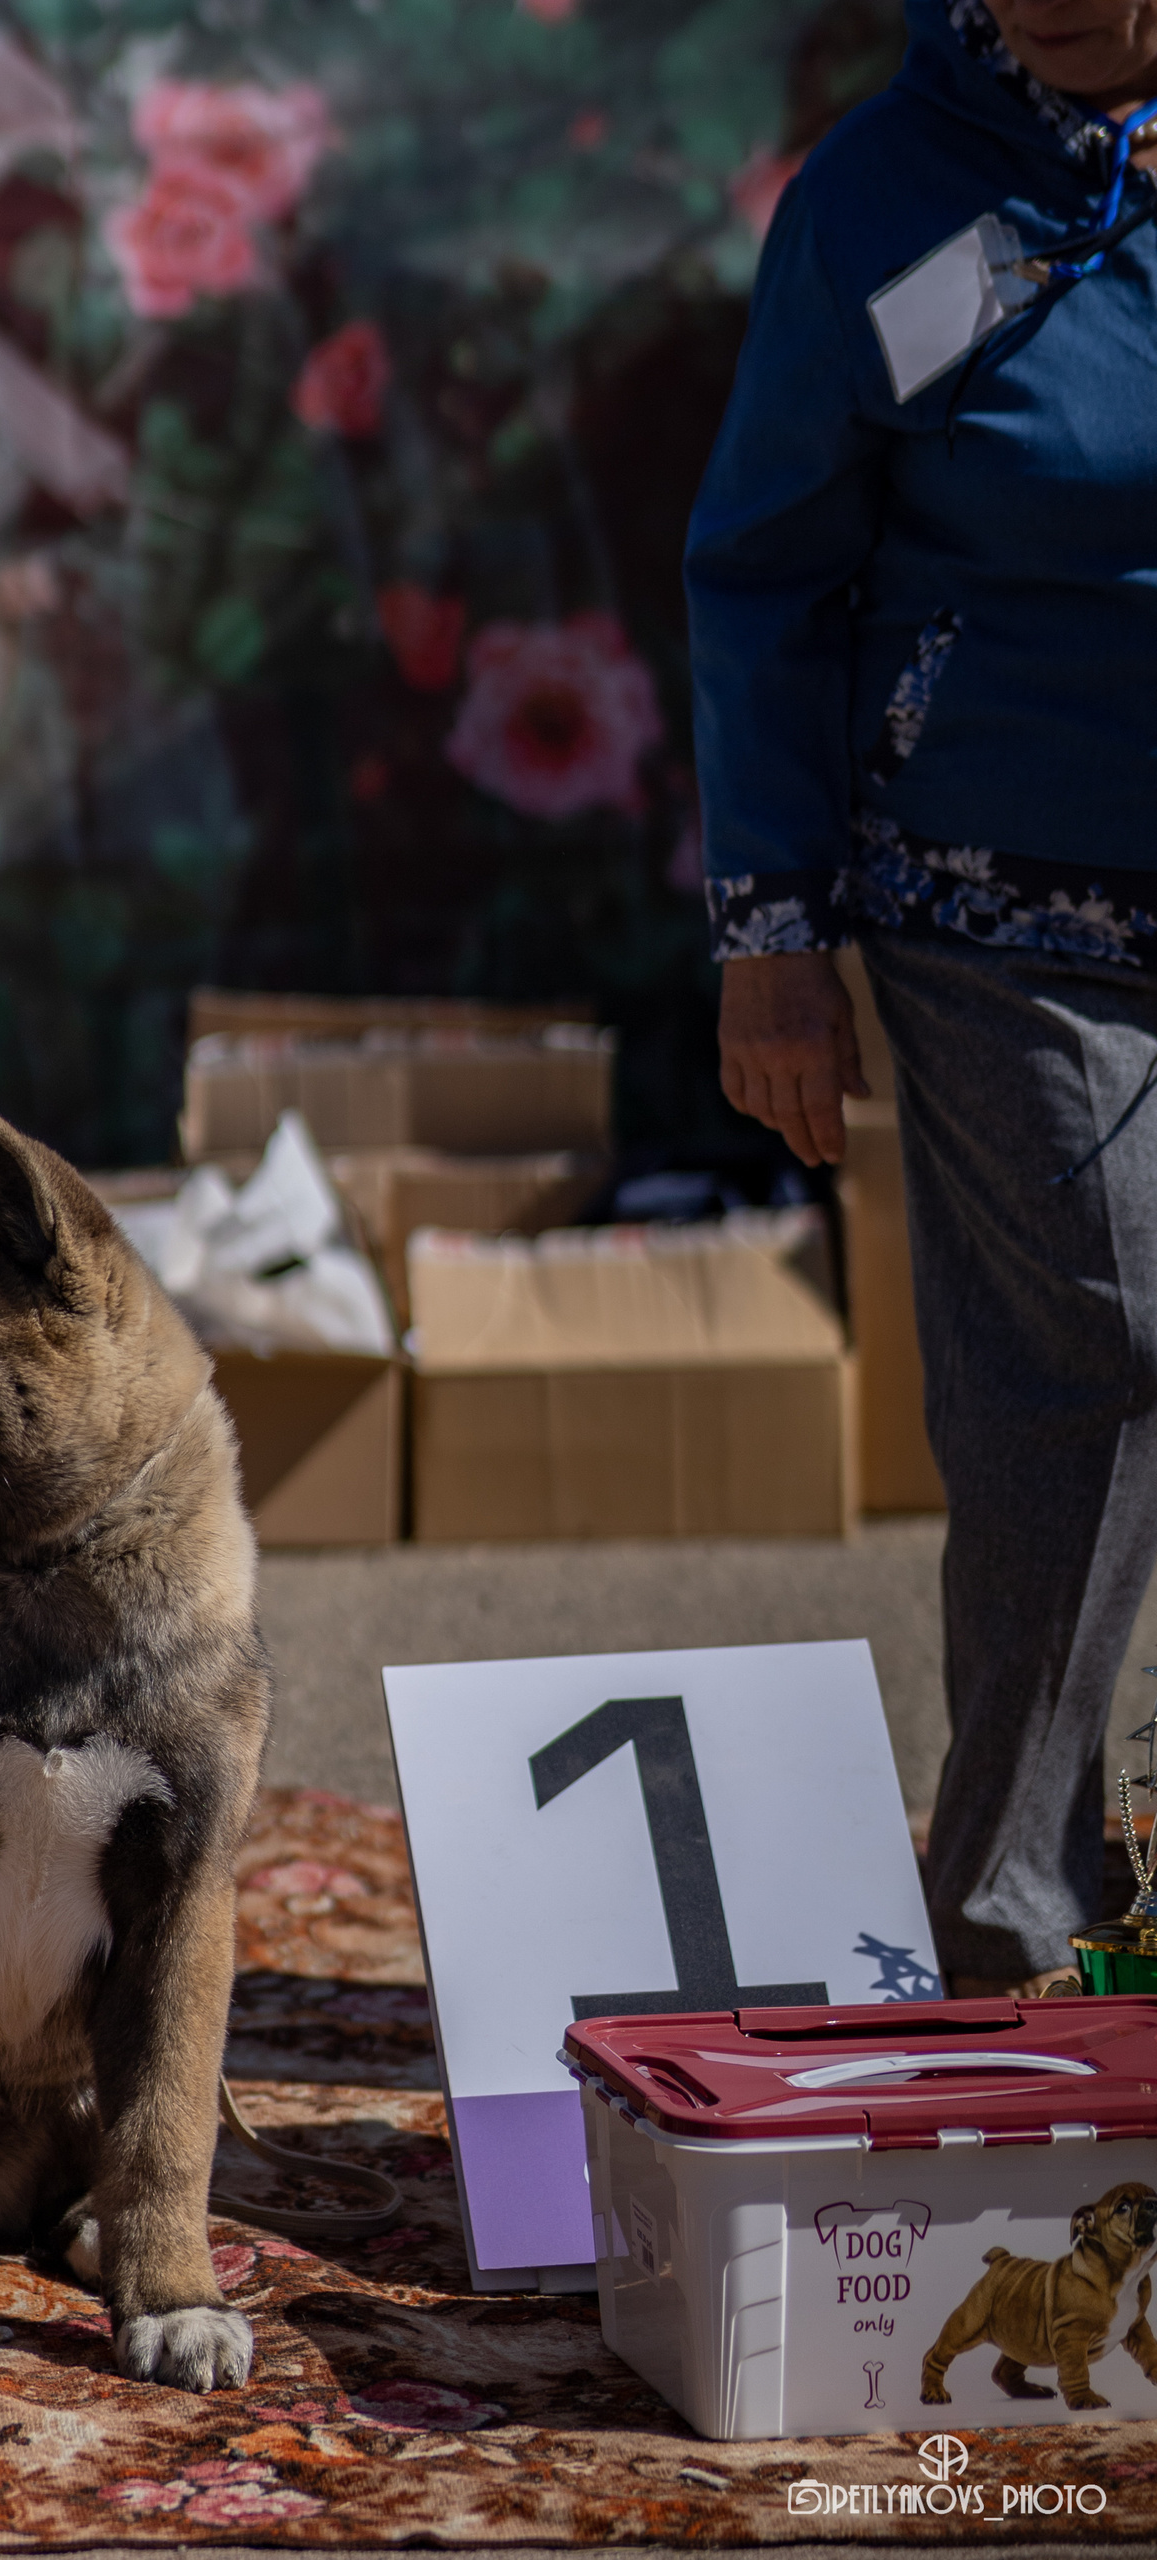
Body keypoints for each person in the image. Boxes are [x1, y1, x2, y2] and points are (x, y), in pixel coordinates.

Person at [690, 0, 1157, 1996]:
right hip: (993, 896)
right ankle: (1017, 1925)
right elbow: (764, 571)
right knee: (1098, 1339)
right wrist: (772, 934)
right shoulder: (887, 206)